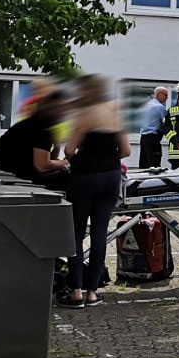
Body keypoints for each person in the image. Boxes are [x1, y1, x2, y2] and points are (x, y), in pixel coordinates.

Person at [60, 75, 130, 307]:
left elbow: (69, 149)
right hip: (111, 177)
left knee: (76, 234)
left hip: (85, 179)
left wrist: (81, 158)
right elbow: (127, 150)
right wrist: (107, 159)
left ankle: (76, 291)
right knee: (100, 234)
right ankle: (92, 293)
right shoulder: (115, 113)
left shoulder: (84, 114)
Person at [0, 87, 70, 187]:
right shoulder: (40, 127)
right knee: (67, 176)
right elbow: (43, 166)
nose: (64, 114)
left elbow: (42, 161)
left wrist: (56, 147)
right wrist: (66, 163)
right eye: (62, 109)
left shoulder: (36, 123)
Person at [138, 85, 169, 169]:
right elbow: (165, 123)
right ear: (159, 94)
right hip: (153, 139)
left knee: (144, 165)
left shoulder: (147, 105)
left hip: (143, 138)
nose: (167, 98)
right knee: (154, 165)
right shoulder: (159, 107)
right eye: (166, 95)